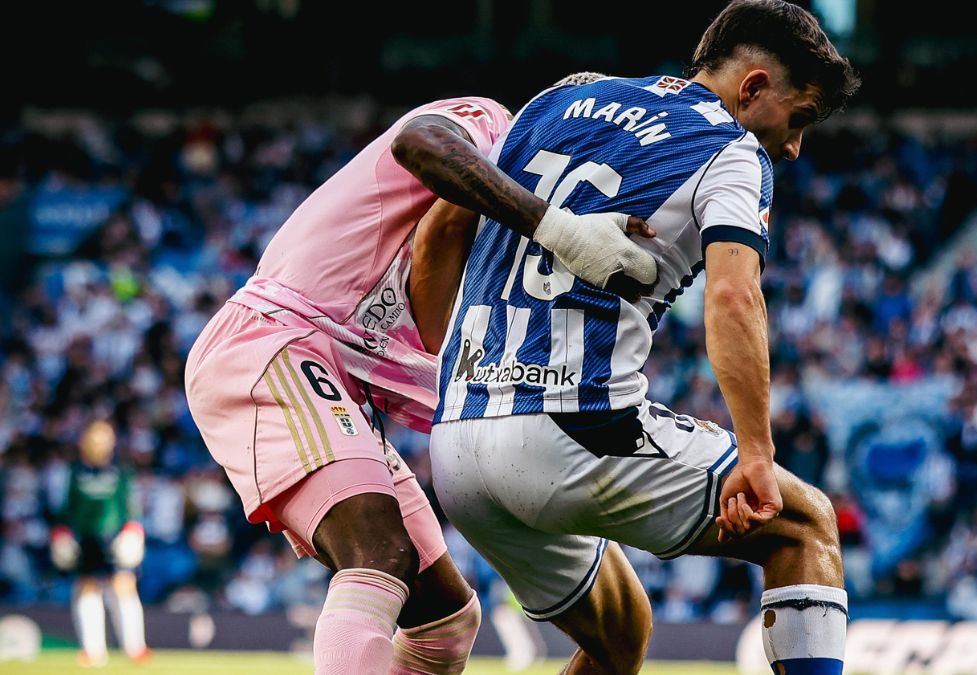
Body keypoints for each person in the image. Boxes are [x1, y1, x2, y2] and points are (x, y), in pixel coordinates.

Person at [427, 1, 860, 673]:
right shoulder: (732, 151)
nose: (795, 145)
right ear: (752, 88)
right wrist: (755, 451)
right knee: (804, 525)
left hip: (456, 445)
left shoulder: (557, 100)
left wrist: (428, 374)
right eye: (797, 118)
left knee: (621, 630)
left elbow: (442, 226)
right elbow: (733, 295)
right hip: (568, 429)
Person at [184, 94, 656, 675]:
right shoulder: (491, 125)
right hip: (280, 338)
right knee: (378, 555)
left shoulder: (516, 253)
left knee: (446, 625)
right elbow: (419, 146)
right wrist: (558, 229)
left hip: (346, 372)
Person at [50, 420, 150, 667]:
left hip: (115, 537)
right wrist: (61, 533)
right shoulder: (75, 472)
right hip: (86, 538)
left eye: (104, 439)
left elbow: (131, 507)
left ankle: (136, 648)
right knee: (87, 588)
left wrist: (133, 531)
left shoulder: (120, 472)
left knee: (125, 587)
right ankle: (93, 651)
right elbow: (66, 508)